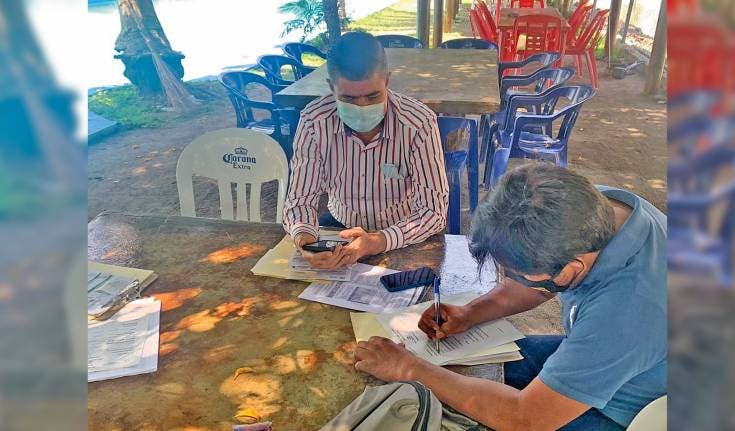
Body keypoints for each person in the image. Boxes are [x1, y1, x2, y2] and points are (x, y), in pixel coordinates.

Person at [354, 164, 667, 431]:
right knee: (465, 369)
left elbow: (525, 419)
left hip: (637, 411)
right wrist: (470, 313)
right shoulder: (589, 209)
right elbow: (543, 282)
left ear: (573, 267)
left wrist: (410, 369)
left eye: (520, 274)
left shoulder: (623, 312)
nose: (514, 281)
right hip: (632, 360)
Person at [282, 31, 449, 270]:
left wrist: (377, 241)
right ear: (331, 88)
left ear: (387, 82)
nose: (362, 106)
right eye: (348, 98)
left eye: (373, 96)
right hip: (341, 226)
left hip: (402, 231)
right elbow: (299, 201)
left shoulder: (418, 123)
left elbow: (433, 212)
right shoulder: (314, 123)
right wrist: (306, 241)